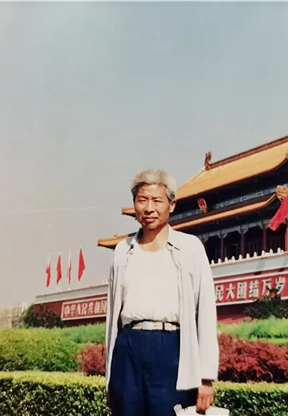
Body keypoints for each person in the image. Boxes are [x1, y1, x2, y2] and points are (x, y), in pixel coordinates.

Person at [105, 169, 219, 416]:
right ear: (134, 205)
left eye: (157, 200)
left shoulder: (190, 248)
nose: (149, 208)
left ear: (172, 205)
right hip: (128, 349)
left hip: (172, 349)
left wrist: (206, 376)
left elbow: (205, 313)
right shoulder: (123, 251)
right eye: (142, 200)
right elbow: (112, 318)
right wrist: (109, 377)